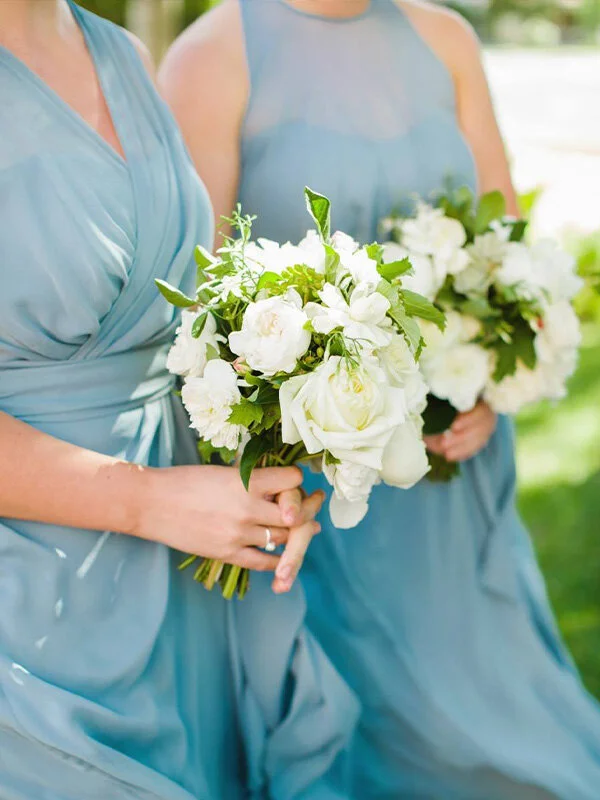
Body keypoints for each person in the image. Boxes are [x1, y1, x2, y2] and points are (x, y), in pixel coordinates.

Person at [161, 1, 600, 798]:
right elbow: (197, 302)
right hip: (324, 491)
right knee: (383, 739)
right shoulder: (213, 55)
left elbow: (502, 242)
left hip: (455, 478)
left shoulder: (446, 38)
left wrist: (490, 380)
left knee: (511, 730)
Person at [0, 2, 359, 798]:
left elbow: (176, 318)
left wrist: (261, 445)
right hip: (32, 600)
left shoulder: (124, 56)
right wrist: (147, 501)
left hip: (185, 573)